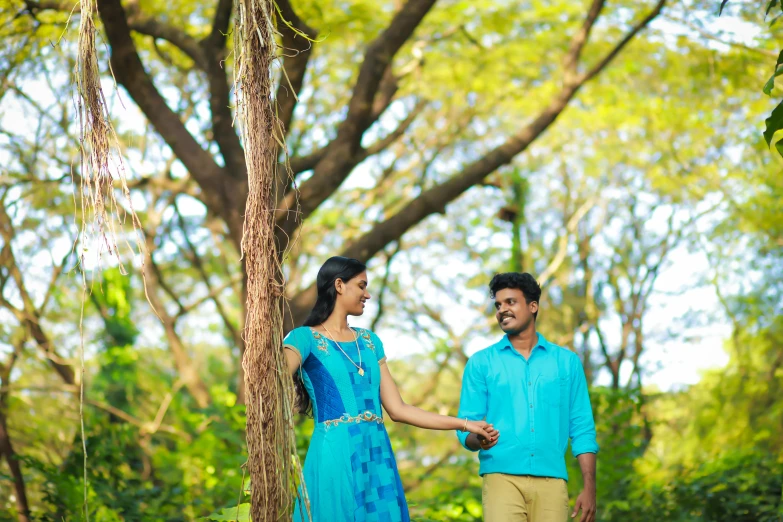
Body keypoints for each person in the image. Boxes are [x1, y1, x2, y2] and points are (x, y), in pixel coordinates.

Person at [284, 256, 499, 522]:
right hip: (334, 453)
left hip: (377, 454)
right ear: (339, 285)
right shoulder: (304, 338)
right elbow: (274, 380)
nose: (368, 294)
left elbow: (398, 409)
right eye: (361, 286)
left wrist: (466, 424)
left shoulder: (370, 342)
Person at [456, 272, 598, 522]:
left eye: (511, 302)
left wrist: (590, 487)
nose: (502, 310)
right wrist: (479, 439)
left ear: (533, 306)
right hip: (501, 478)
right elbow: (465, 427)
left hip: (552, 481)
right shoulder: (481, 363)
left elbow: (582, 428)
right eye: (498, 305)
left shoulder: (567, 363)